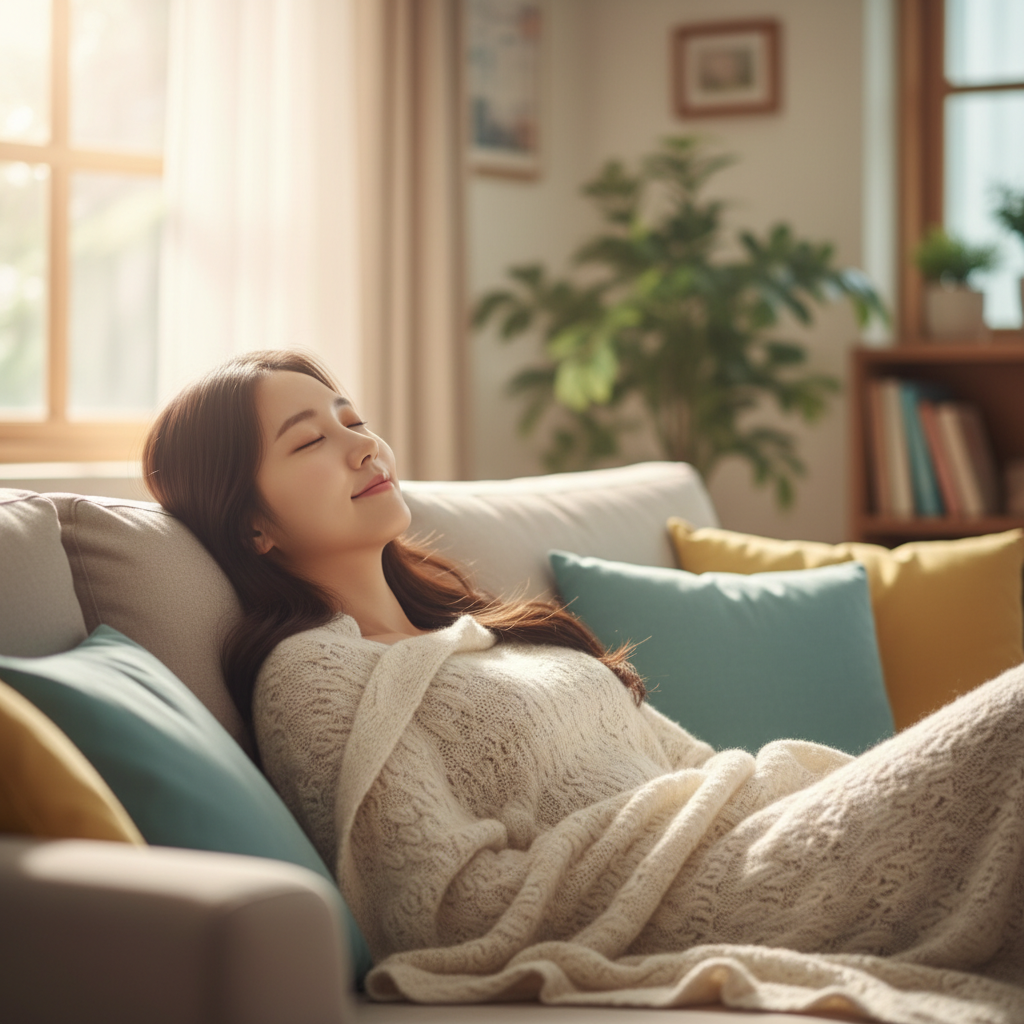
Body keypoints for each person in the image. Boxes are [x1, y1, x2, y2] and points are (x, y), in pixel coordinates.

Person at [144, 349, 1024, 1023]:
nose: (361, 444)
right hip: (696, 889)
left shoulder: (477, 627)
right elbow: (431, 910)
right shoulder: (313, 673)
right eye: (310, 439)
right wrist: (660, 847)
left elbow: (690, 762)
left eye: (352, 417)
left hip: (757, 830)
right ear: (251, 523)